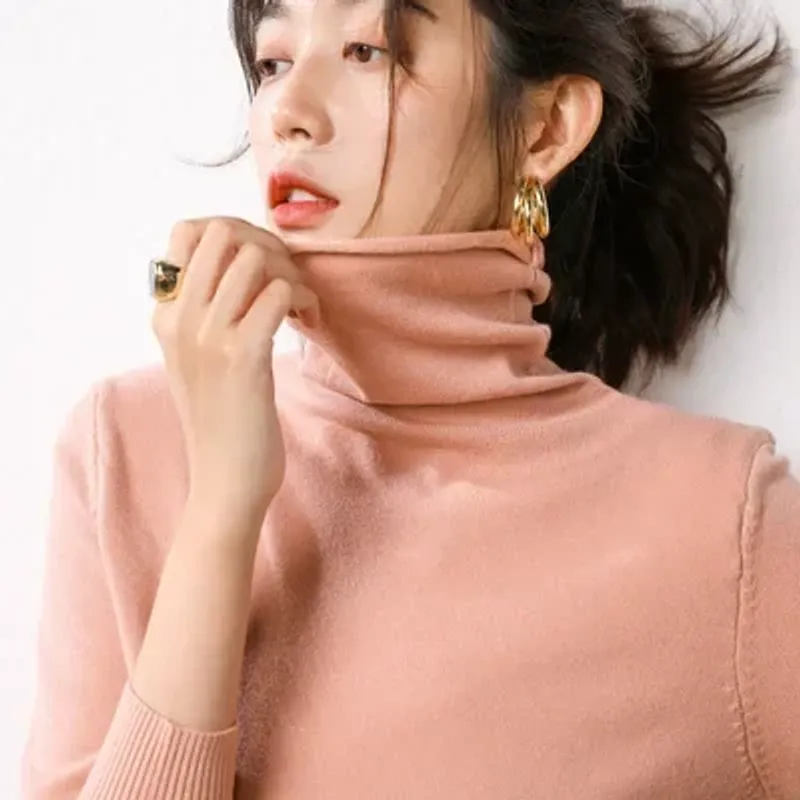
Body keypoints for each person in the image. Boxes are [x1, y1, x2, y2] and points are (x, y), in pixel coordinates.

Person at [19, 0, 800, 797]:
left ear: (546, 129)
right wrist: (220, 509)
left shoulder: (720, 525)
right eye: (274, 62)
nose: (288, 112)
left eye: (367, 51)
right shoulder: (125, 449)